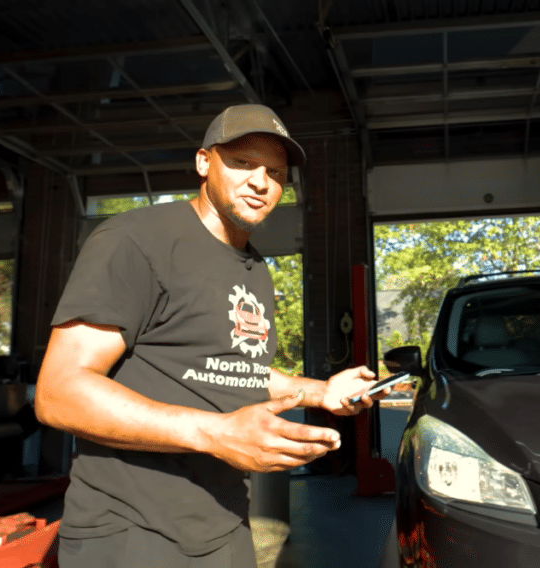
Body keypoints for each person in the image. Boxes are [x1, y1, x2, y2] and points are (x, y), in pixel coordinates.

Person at [34, 104, 386, 568]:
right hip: (130, 534)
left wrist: (322, 391)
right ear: (203, 162)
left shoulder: (255, 268)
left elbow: (238, 369)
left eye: (275, 172)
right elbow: (59, 393)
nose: (261, 181)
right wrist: (217, 433)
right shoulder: (137, 240)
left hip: (223, 527)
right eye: (243, 163)